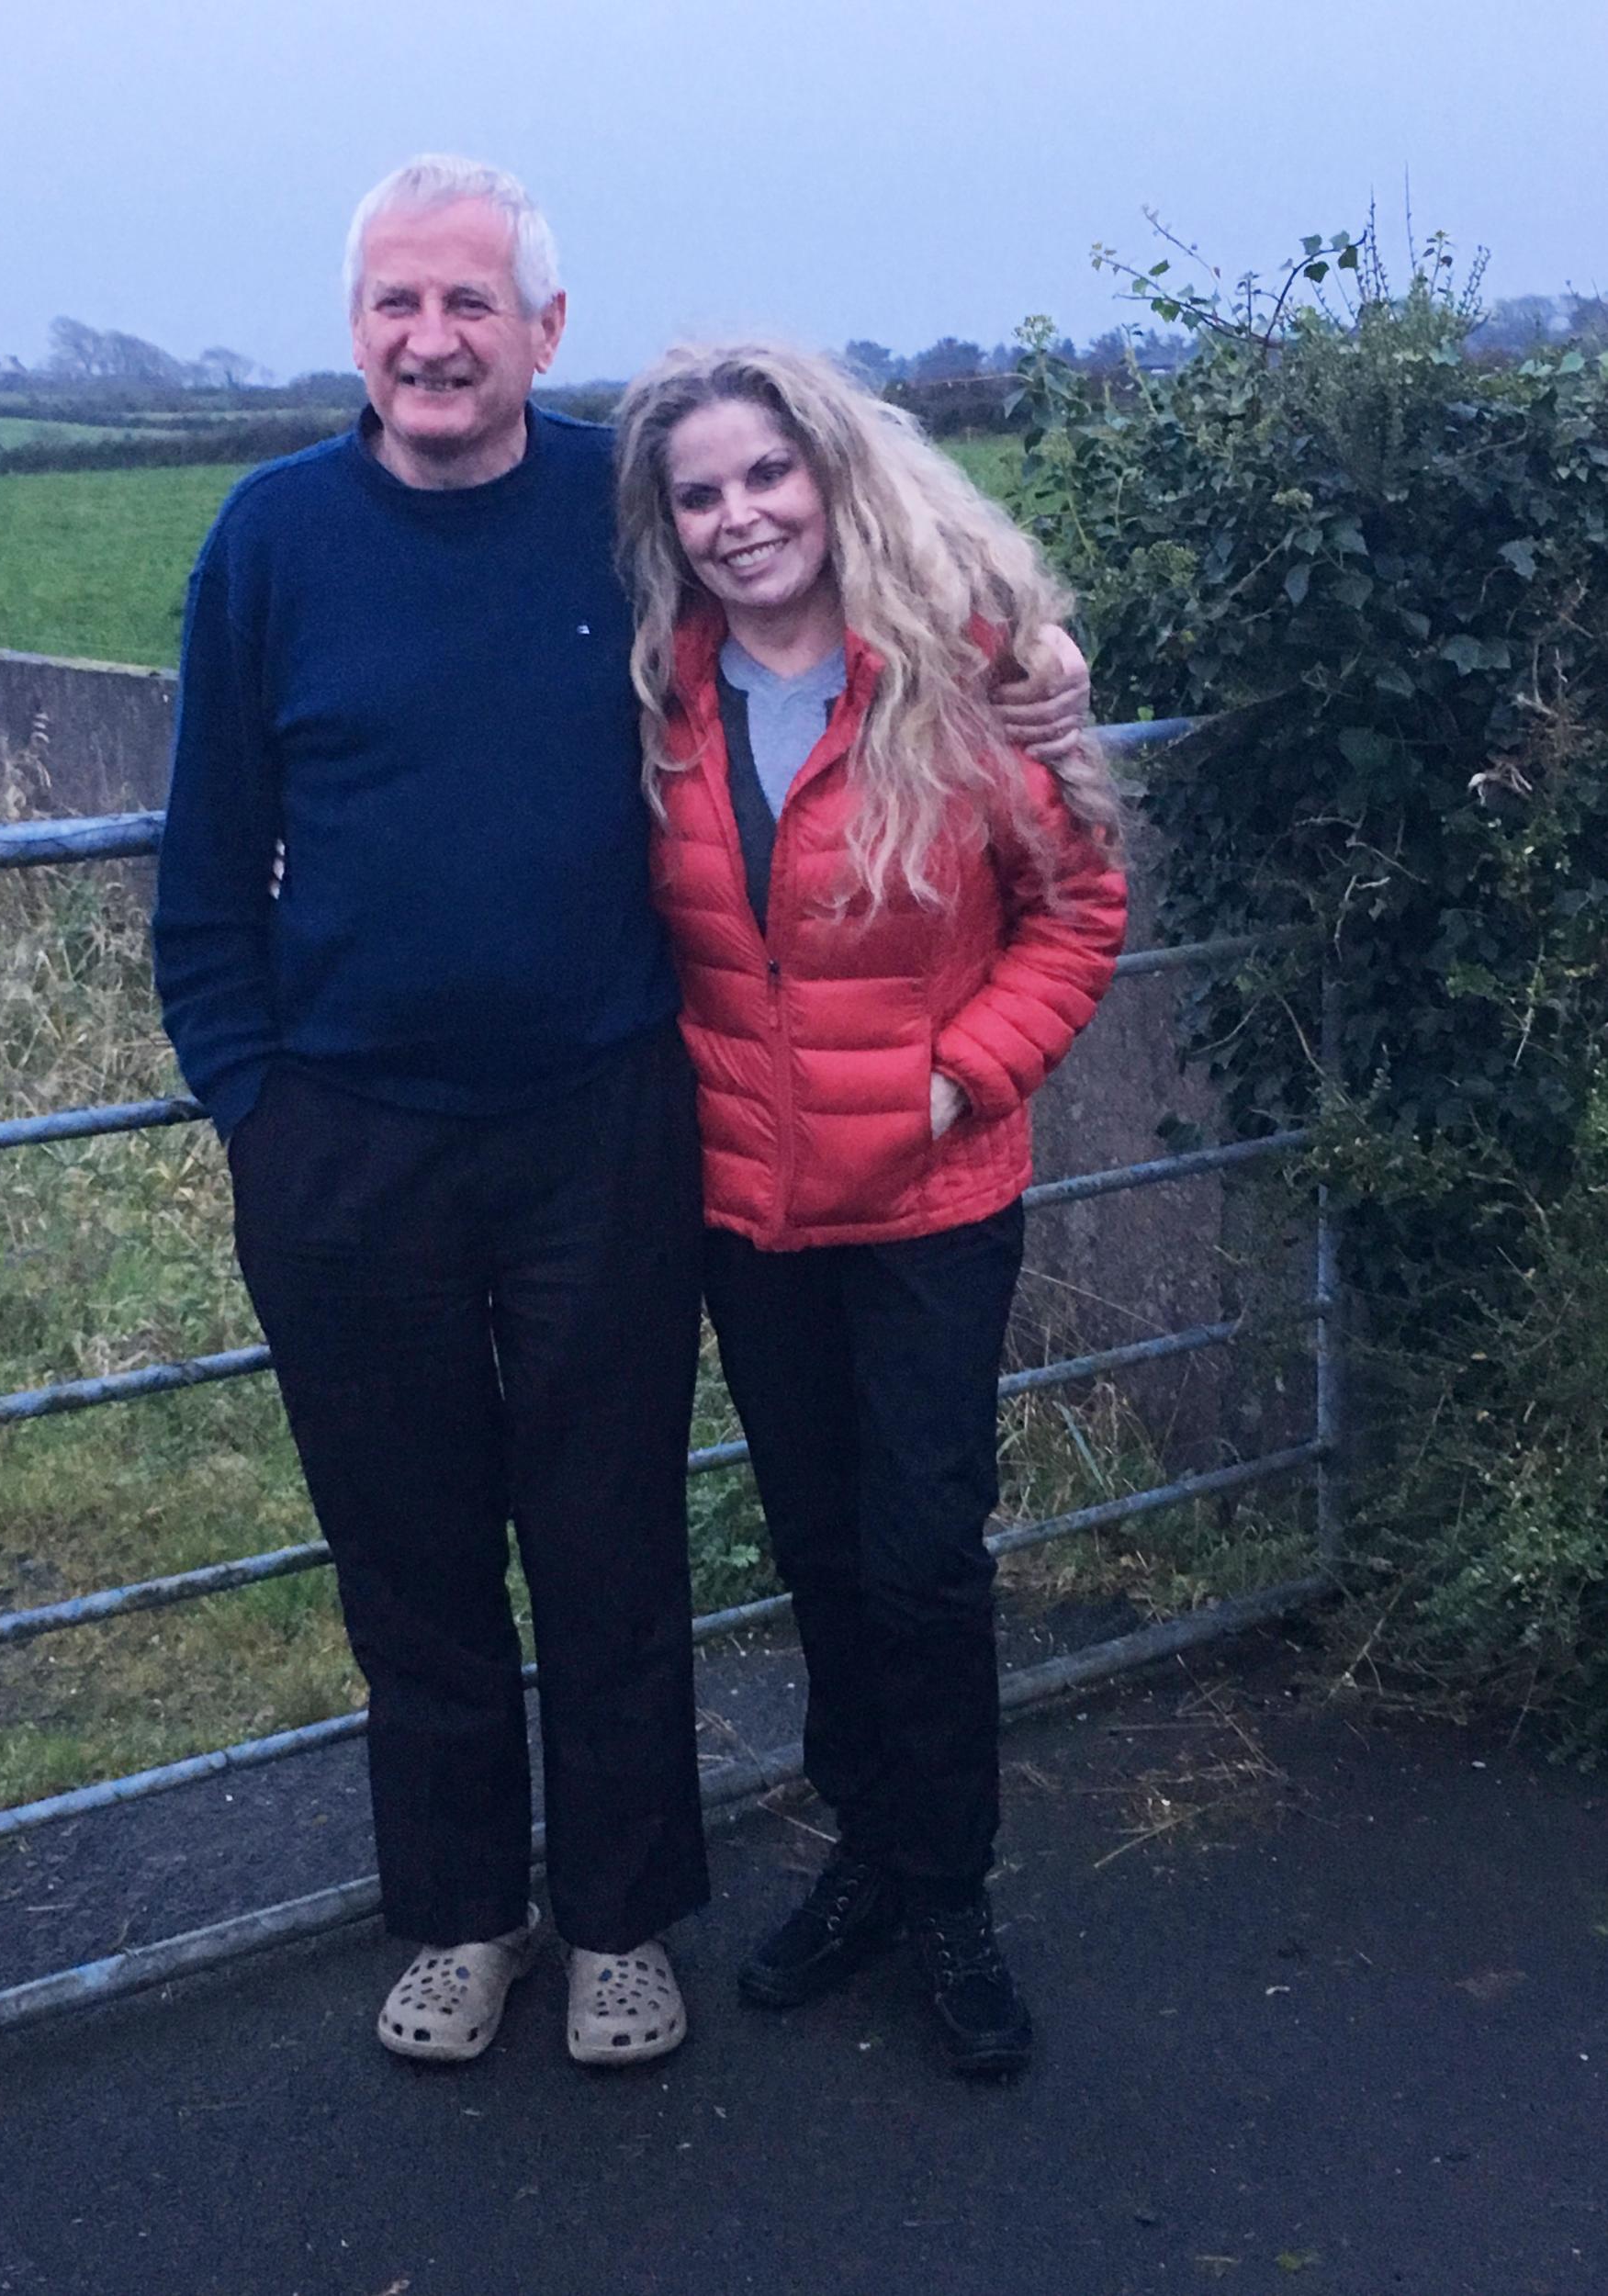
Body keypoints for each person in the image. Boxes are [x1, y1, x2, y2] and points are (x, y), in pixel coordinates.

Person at [154, 155, 1091, 2073]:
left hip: (608, 1128)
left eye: (470, 303)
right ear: (356, 329)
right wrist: (255, 1106)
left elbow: (877, 592)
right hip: (347, 1138)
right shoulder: (266, 542)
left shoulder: (615, 514)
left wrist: (1042, 661)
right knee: (407, 1556)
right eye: (396, 304)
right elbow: (199, 871)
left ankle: (621, 1920)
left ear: (540, 330)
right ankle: (459, 1913)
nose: (431, 337)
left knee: (617, 1545)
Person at [614, 342, 1129, 2077]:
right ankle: (868, 1852)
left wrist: (955, 1079)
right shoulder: (650, 692)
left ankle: (952, 1889)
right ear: (665, 525)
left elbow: (1075, 914)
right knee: (820, 1552)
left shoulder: (962, 682)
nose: (740, 516)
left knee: (919, 1556)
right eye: (700, 493)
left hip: (926, 1197)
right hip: (747, 1212)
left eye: (769, 475)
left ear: (833, 475)